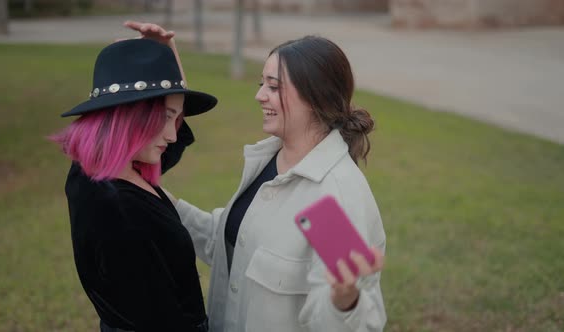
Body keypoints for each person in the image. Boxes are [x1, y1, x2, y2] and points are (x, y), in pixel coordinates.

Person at [126, 22, 387, 332]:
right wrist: (162, 201)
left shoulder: (332, 195)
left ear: (316, 97)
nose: (259, 95)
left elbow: (357, 322)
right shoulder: (269, 160)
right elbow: (232, 243)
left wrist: (345, 301)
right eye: (261, 83)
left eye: (274, 87)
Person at [51, 34, 217, 331]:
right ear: (130, 116)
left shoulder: (98, 171)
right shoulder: (119, 210)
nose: (173, 135)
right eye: (165, 118)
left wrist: (165, 59)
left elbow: (172, 144)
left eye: (176, 119)